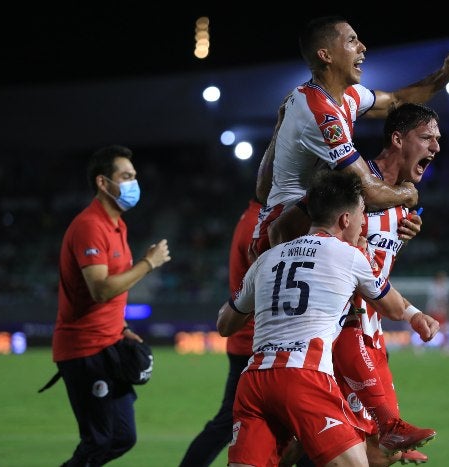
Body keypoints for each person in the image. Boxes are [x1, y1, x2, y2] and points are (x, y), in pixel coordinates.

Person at [217, 170, 440, 467]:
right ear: (345, 220)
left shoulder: (268, 259)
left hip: (255, 381)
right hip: (304, 376)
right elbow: (393, 308)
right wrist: (414, 313)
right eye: (362, 216)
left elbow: (225, 324)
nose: (363, 225)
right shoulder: (349, 256)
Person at [271, 103, 443, 466]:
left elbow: (375, 268)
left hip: (368, 326)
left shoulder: (403, 200)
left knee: (354, 447)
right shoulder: (352, 181)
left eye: (437, 140)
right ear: (397, 139)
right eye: (426, 137)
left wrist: (403, 235)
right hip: (333, 331)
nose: (436, 148)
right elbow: (283, 231)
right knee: (354, 446)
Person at [250, 15, 449, 259]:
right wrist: (407, 195)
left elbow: (397, 101)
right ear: (326, 55)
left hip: (305, 224)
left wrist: (445, 74)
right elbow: (367, 191)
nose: (362, 47)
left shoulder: (346, 96)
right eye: (352, 40)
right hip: (285, 236)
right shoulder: (321, 114)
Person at [179, 100, 286, 467]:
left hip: (248, 337)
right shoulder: (263, 227)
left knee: (235, 421)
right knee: (229, 422)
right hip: (252, 339)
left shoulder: (253, 217)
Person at [51, 144, 172, 466]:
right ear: (103, 183)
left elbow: (109, 295)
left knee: (122, 437)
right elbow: (101, 290)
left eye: (134, 176)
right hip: (85, 350)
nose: (134, 183)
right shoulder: (90, 226)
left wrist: (122, 328)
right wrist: (148, 263)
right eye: (127, 176)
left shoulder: (117, 225)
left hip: (109, 344)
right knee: (99, 441)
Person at [414, 270, 449, 355]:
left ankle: (444, 347)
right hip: (435, 311)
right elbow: (437, 300)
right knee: (430, 329)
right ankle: (420, 346)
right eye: (443, 278)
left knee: (443, 330)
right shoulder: (434, 288)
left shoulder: (443, 288)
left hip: (441, 311)